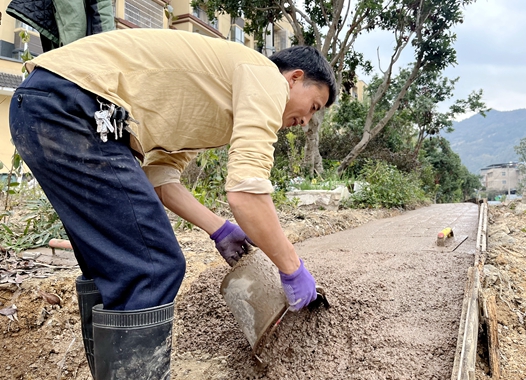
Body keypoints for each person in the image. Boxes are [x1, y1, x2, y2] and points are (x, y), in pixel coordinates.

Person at [9, 28, 337, 379]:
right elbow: (246, 193)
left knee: (114, 268)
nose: (305, 121)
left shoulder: (213, 101)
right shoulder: (265, 76)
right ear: (294, 78)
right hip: (75, 107)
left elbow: (160, 179)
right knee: (151, 267)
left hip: (43, 107)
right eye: (313, 106)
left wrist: (220, 229)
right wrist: (292, 268)